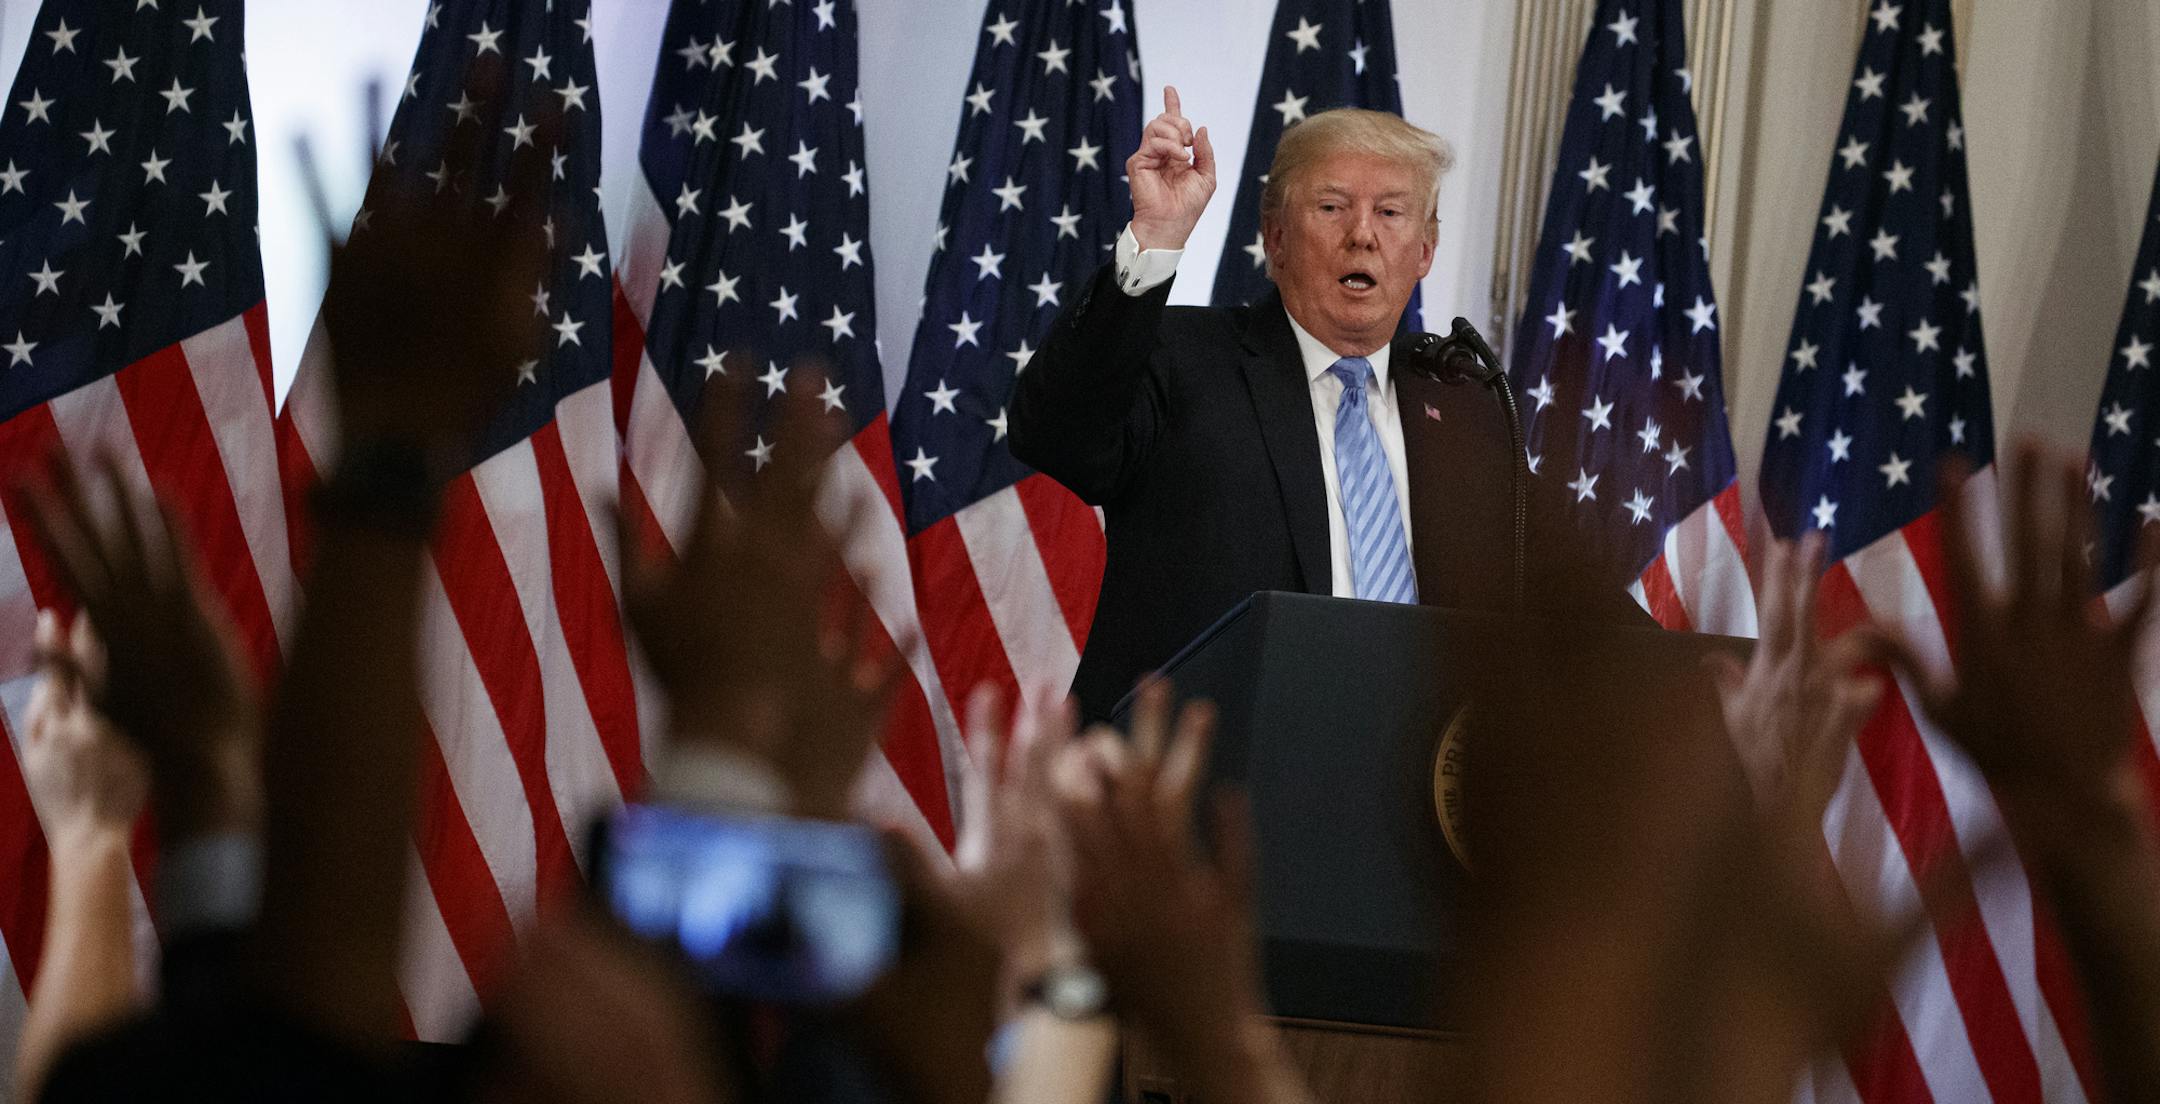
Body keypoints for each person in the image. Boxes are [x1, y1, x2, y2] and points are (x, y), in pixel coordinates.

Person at [1009, 88, 1634, 722]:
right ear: (1275, 238)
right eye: (1332, 207)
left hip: (1405, 786)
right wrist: (1156, 236)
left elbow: (1573, 602)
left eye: (1391, 213)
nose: (1362, 235)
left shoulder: (1464, 405)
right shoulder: (1182, 359)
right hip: (1201, 787)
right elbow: (1055, 434)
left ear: (1424, 251)